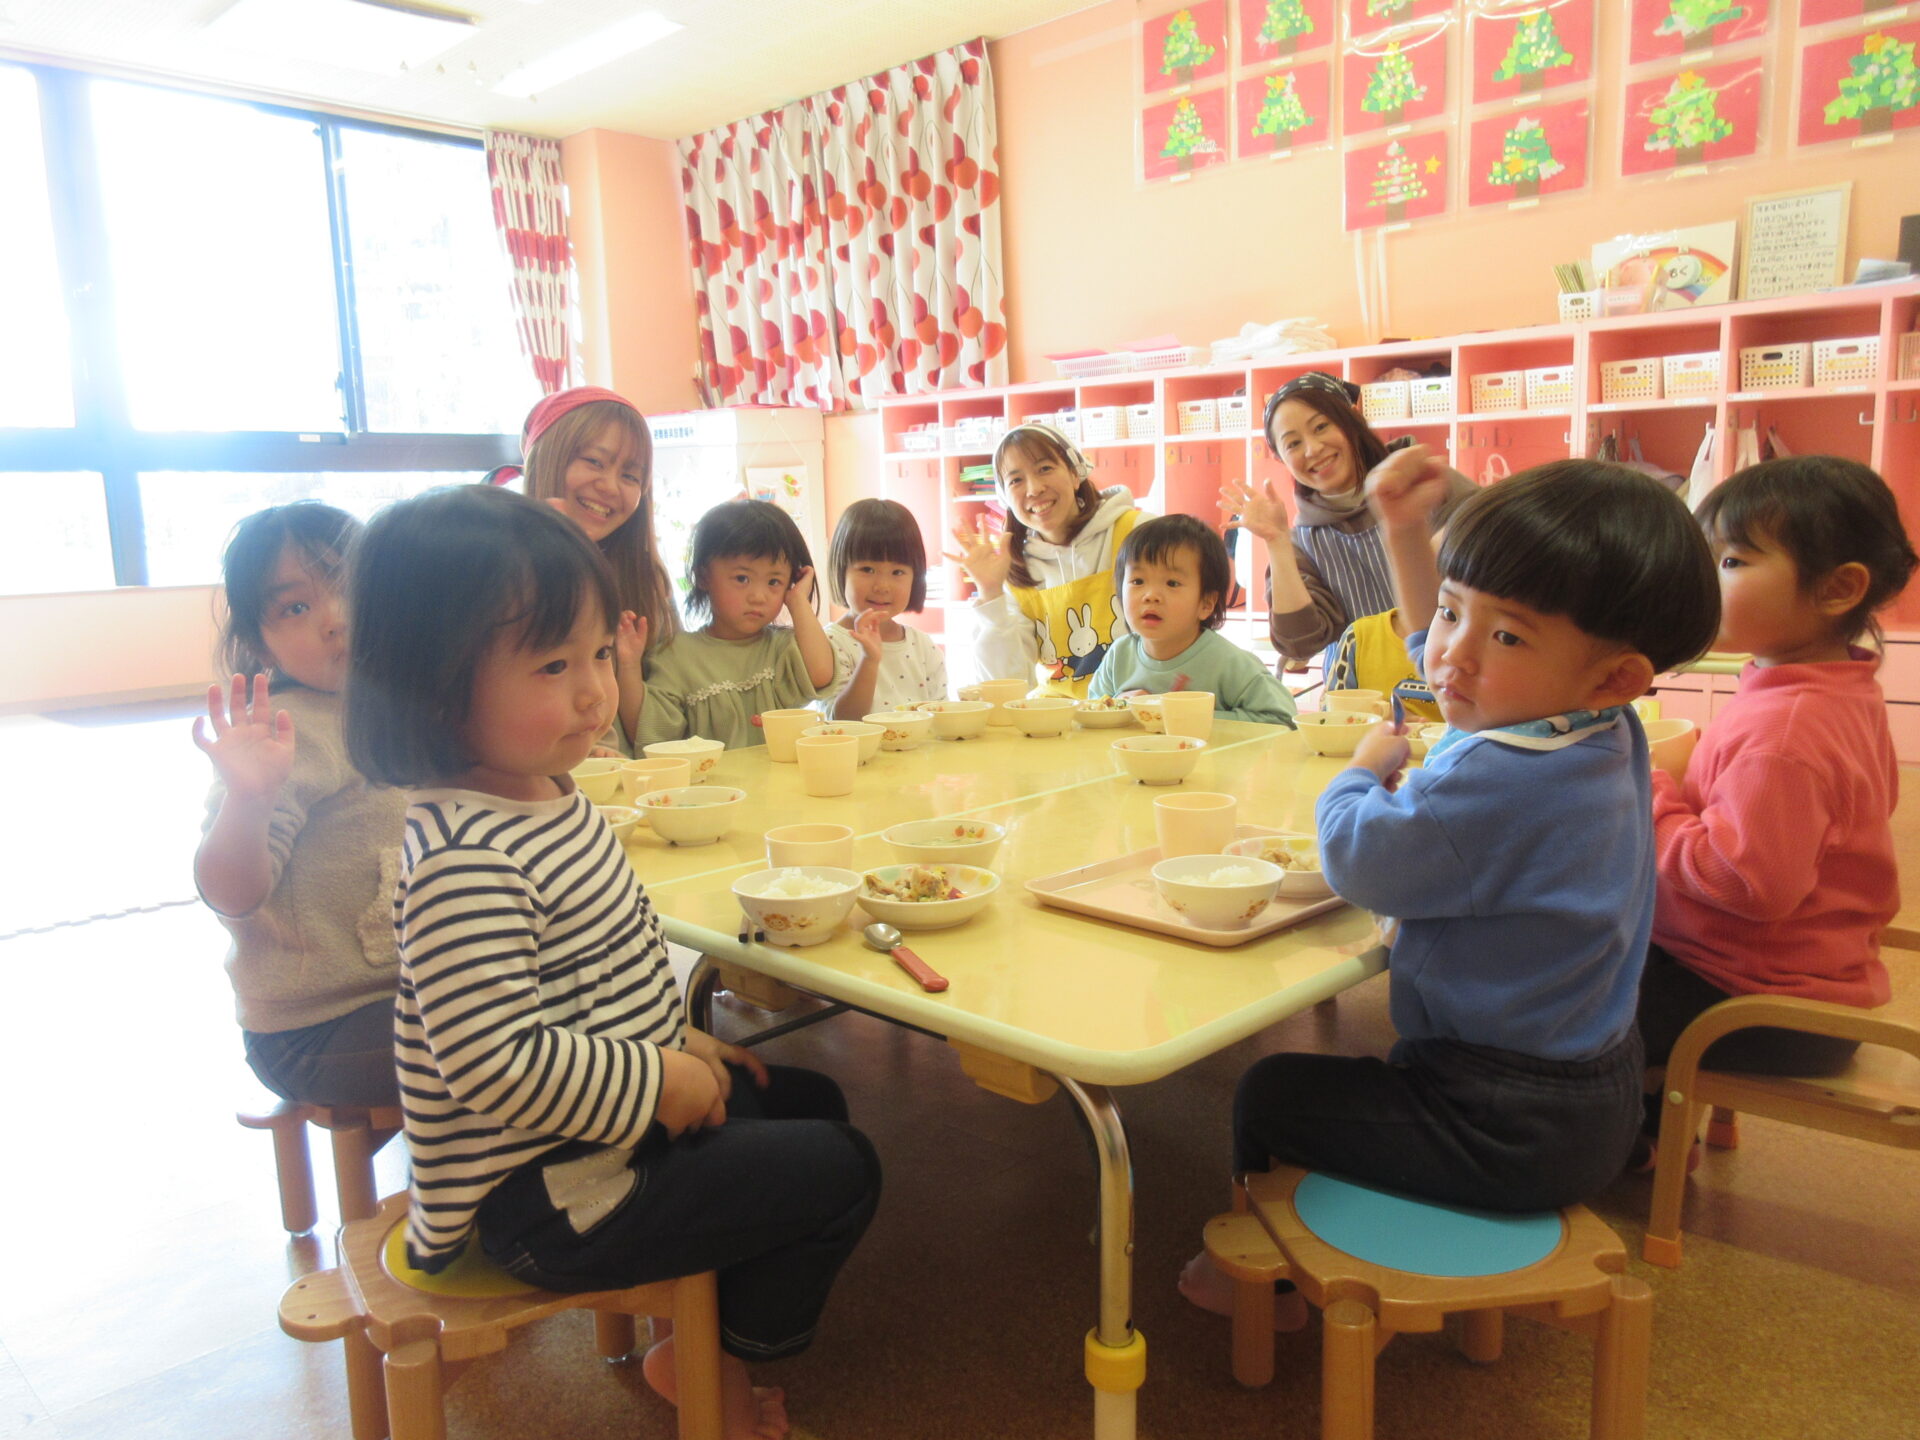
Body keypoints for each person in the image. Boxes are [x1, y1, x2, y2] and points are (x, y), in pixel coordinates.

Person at [343, 484, 880, 1440]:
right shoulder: (466, 858)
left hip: (604, 1127)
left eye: (599, 653)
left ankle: (701, 1317)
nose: (595, 691)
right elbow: (494, 1062)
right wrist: (656, 1080)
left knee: (812, 1104)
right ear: (432, 686)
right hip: (547, 1195)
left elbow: (606, 966)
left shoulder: (548, 793)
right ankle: (714, 1358)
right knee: (842, 1168)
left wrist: (681, 1041)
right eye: (553, 665)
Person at [1181, 448, 1719, 1327]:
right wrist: (1403, 531)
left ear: (1614, 673)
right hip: (1599, 1087)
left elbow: (1358, 859)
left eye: (1504, 636)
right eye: (1455, 612)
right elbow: (1437, 648)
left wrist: (1358, 773)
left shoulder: (1505, 779)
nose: (1451, 657)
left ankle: (1270, 1291)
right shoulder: (1597, 722)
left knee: (1269, 1091)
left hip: (1499, 1120)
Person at [1635, 457, 1917, 1148]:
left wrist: (1655, 798)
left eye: (1731, 562)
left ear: (1837, 589)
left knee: (1563, 1000)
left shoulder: (1786, 730)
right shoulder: (1829, 688)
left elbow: (1745, 882)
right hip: (1788, 981)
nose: (1704, 578)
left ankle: (1625, 1140)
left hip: (1758, 1005)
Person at [192, 502, 404, 1109]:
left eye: (350, 585)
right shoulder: (283, 734)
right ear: (259, 646)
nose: (335, 619)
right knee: (513, 1037)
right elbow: (231, 894)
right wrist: (248, 801)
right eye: (295, 608)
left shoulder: (399, 706)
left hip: (414, 990)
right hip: (318, 1028)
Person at [1221, 371, 1475, 673]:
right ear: (1280, 458)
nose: (1313, 449)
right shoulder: (1304, 540)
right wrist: (1277, 541)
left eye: (1321, 426)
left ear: (1352, 418)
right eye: (1293, 444)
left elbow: (1497, 561)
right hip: (1360, 693)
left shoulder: (1426, 484)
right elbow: (1299, 644)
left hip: (1455, 672)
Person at [487, 386, 680, 755]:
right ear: (548, 457)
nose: (609, 486)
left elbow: (673, 711)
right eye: (594, 461)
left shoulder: (646, 579)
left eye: (630, 476)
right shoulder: (497, 570)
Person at [949, 422, 1143, 699]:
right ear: (1005, 498)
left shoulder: (1137, 534)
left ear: (1075, 474)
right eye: (1016, 480)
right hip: (1057, 716)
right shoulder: (1016, 570)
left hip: (1136, 705)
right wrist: (990, 595)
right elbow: (1005, 685)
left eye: (1045, 469)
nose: (1034, 488)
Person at [639, 500, 844, 749]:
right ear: (703, 576)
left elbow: (821, 674)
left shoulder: (781, 646)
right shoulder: (675, 657)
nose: (758, 596)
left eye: (774, 582)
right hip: (712, 776)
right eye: (742, 578)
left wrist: (798, 601)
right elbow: (654, 738)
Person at [1087, 514, 1297, 726]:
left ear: (1206, 603)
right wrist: (1119, 706)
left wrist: (1179, 714)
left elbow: (1282, 719)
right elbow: (1093, 712)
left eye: (1172, 583)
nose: (1150, 595)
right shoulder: (1119, 655)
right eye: (1137, 581)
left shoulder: (1228, 663)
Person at [820, 498, 948, 716]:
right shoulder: (828, 644)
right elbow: (841, 722)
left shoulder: (923, 646)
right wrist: (869, 660)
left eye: (897, 572)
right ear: (841, 571)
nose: (882, 586)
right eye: (867, 569)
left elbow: (941, 715)